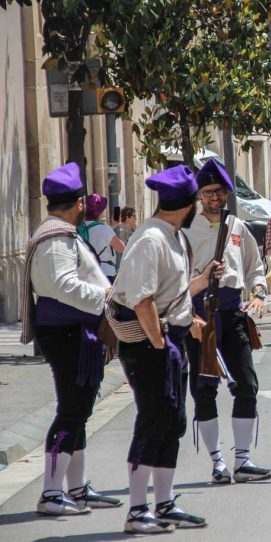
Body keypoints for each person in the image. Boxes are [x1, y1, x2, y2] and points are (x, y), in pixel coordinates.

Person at [113, 165, 219, 533]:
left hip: (169, 341)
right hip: (149, 345)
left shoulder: (171, 234)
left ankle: (165, 502)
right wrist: (159, 341)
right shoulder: (151, 238)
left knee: (171, 421)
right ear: (188, 204)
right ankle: (138, 509)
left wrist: (193, 308)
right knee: (152, 422)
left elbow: (167, 295)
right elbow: (141, 300)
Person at [20, 163, 120, 516]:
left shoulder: (60, 232)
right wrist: (108, 298)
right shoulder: (56, 238)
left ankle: (76, 488)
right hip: (67, 334)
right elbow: (61, 286)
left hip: (76, 333)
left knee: (80, 411)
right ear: (79, 203)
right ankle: (51, 493)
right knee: (71, 411)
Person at [183, 159, 271, 485]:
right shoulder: (185, 228)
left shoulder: (237, 226)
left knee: (247, 385)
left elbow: (254, 266)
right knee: (204, 390)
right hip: (199, 316)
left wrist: (260, 293)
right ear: (199, 194)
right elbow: (175, 277)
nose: (215, 198)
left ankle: (243, 461)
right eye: (209, 192)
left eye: (220, 192)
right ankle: (217, 463)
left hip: (233, 312)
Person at [79, 193, 126, 283]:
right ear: (99, 213)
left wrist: (112, 226)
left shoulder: (79, 228)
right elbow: (121, 248)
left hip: (85, 275)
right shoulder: (105, 229)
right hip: (104, 274)